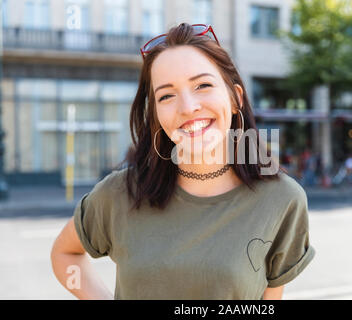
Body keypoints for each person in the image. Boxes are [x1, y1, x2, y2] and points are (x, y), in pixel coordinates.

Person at [50, 23, 315, 300]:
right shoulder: (120, 192)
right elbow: (65, 252)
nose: (188, 107)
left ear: (235, 98)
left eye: (202, 85)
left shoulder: (283, 199)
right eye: (166, 95)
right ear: (156, 114)